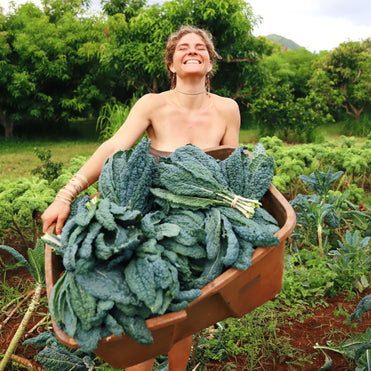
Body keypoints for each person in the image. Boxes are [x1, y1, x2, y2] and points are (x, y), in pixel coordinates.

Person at [42, 25, 241, 371]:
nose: (192, 51)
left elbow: (233, 165)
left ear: (210, 64)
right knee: (141, 305)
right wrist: (66, 193)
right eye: (183, 48)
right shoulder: (153, 104)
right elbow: (114, 148)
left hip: (199, 229)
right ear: (172, 64)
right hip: (150, 219)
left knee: (185, 312)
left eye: (201, 48)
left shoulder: (228, 110)